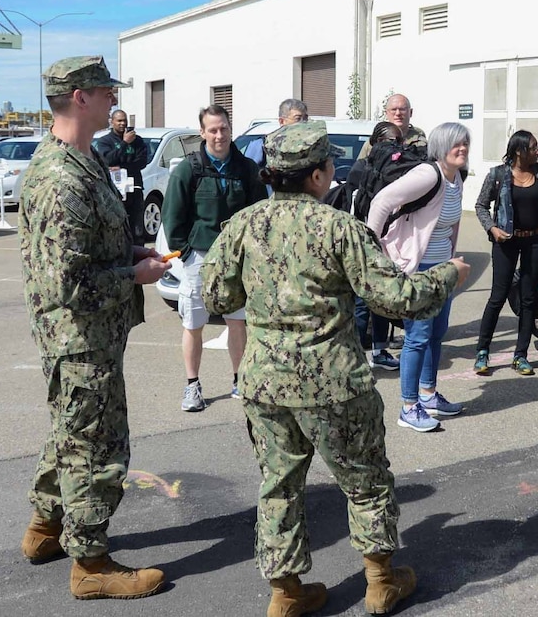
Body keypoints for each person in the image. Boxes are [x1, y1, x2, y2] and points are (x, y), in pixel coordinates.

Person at [201, 122, 470, 617]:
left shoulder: (243, 225)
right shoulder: (340, 228)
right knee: (365, 480)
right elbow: (395, 299)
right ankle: (379, 582)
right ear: (320, 175)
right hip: (335, 381)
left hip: (265, 383)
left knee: (278, 485)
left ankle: (285, 594)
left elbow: (217, 296)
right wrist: (449, 273)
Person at [18, 56, 171, 599]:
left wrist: (130, 250)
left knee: (69, 432)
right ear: (80, 97)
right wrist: (135, 274)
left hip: (91, 337)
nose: (114, 100)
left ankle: (44, 528)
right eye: (106, 91)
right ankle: (90, 563)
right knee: (96, 447)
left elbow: (87, 246)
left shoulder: (83, 160)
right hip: (80, 339)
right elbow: (69, 284)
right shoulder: (61, 177)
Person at [162, 103, 267, 411]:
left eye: (223, 129)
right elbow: (172, 216)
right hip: (199, 259)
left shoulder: (246, 168)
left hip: (237, 261)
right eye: (213, 130)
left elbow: (258, 215)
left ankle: (239, 381)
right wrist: (185, 251)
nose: (219, 135)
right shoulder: (189, 169)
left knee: (238, 322)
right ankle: (192, 386)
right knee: (193, 323)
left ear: (230, 129)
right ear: (202, 132)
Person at [368, 122, 471, 432]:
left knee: (437, 334)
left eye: (465, 143)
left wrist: (453, 259)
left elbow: (451, 223)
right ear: (441, 147)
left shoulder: (457, 179)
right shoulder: (429, 174)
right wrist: (372, 250)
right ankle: (409, 406)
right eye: (456, 144)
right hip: (416, 269)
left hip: (442, 269)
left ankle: (428, 395)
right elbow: (381, 201)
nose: (462, 148)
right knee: (417, 338)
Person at [474, 130, 538, 376]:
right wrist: (492, 228)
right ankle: (482, 352)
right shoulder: (498, 175)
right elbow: (481, 205)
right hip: (506, 242)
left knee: (528, 298)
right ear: (518, 151)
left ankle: (520, 355)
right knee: (498, 296)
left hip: (537, 241)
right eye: (534, 147)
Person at [352, 121, 403, 370]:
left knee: (381, 299)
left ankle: (380, 350)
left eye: (397, 143)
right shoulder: (361, 169)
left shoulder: (401, 171)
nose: (394, 149)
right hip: (363, 244)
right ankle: (357, 353)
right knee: (362, 300)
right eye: (389, 143)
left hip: (390, 245)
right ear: (374, 144)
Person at [93, 108, 149, 242]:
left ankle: (139, 255)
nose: (122, 123)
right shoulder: (104, 141)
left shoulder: (138, 140)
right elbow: (108, 161)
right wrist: (124, 143)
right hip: (115, 190)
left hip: (134, 188)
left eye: (124, 120)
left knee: (137, 228)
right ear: (112, 122)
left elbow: (141, 162)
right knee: (118, 226)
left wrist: (121, 167)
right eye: (119, 121)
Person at [359, 93, 426, 159]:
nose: (398, 113)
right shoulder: (373, 143)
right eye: (393, 109)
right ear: (386, 113)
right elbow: (360, 167)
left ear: (410, 112)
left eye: (402, 109)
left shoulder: (420, 143)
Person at [243, 98, 309, 167]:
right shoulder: (262, 144)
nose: (303, 122)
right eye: (298, 119)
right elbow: (248, 172)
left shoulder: (312, 143)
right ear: (282, 121)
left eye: (305, 118)